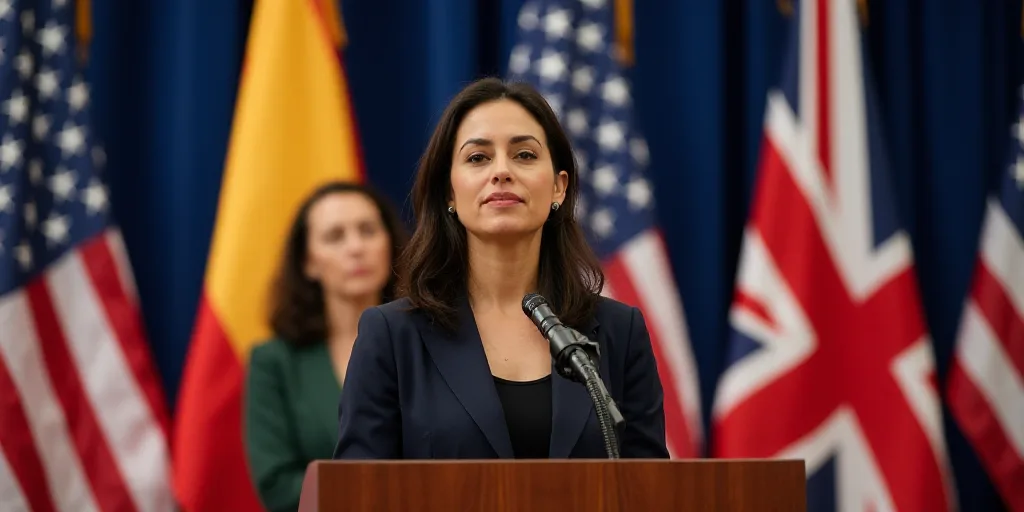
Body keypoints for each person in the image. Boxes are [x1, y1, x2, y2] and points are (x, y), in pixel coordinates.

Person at [332, 77, 669, 460]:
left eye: (524, 155)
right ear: (449, 191)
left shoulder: (619, 332)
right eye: (478, 158)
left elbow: (650, 482)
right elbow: (358, 486)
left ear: (559, 187)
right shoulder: (392, 335)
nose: (502, 171)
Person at [244, 181, 407, 511]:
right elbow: (277, 486)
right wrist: (381, 489)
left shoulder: (428, 344)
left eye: (367, 231)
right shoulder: (274, 362)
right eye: (335, 236)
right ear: (309, 262)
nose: (356, 247)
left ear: (389, 243)